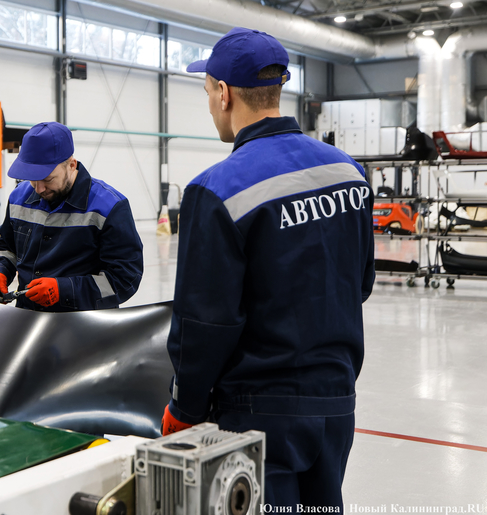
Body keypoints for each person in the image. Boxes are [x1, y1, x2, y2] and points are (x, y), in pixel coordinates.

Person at [161, 28, 375, 509]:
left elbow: (205, 320)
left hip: (259, 413)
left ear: (224, 93)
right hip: (337, 402)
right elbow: (359, 283)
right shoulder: (348, 171)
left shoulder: (216, 190)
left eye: (206, 92)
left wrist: (185, 406)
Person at [0, 122, 143, 312]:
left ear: (71, 165)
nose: (39, 188)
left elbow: (125, 278)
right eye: (32, 179)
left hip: (86, 325)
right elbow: (6, 246)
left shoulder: (109, 207)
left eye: (48, 179)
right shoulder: (19, 197)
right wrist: (0, 271)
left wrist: (65, 290)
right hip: (28, 318)